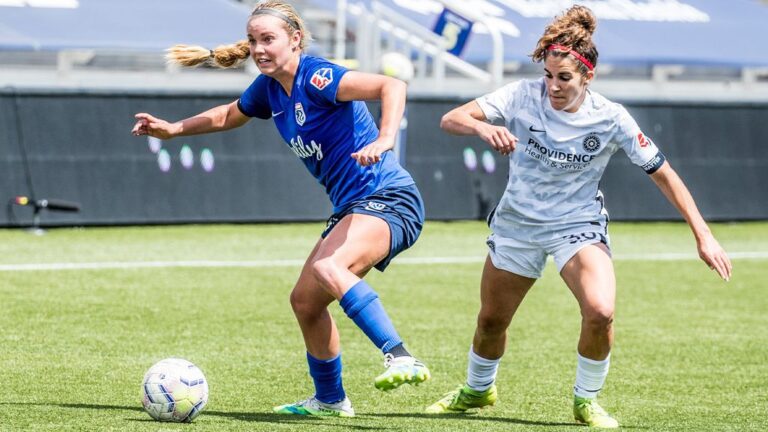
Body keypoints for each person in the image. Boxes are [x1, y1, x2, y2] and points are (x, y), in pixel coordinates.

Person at [424, 5, 732, 428]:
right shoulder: (519, 95)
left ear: (588, 76)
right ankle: (478, 389)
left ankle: (586, 401)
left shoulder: (610, 117)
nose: (553, 86)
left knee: (601, 311)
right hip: (518, 223)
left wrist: (704, 236)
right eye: (548, 75)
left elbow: (664, 175)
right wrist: (482, 128)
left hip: (577, 226)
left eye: (564, 78)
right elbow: (450, 119)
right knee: (492, 320)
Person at [131, 0, 430, 418]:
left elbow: (391, 87)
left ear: (295, 40)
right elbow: (229, 114)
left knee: (330, 269)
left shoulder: (318, 76)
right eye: (253, 40)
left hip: (389, 197)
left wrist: (384, 139)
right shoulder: (269, 88)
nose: (258, 49)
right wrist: (175, 128)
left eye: (268, 39)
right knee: (306, 302)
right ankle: (329, 400)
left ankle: (400, 356)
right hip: (353, 206)